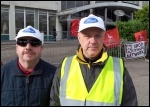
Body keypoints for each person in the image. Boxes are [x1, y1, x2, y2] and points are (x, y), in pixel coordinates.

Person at [49, 14, 138, 106]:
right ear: (79, 38)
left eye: (98, 36)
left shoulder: (119, 68)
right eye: (87, 36)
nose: (93, 41)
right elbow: (54, 101)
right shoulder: (65, 66)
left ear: (104, 37)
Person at [1, 26, 56, 106]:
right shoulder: (3, 73)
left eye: (34, 42)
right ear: (16, 48)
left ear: (41, 48)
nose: (28, 47)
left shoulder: (54, 74)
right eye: (22, 42)